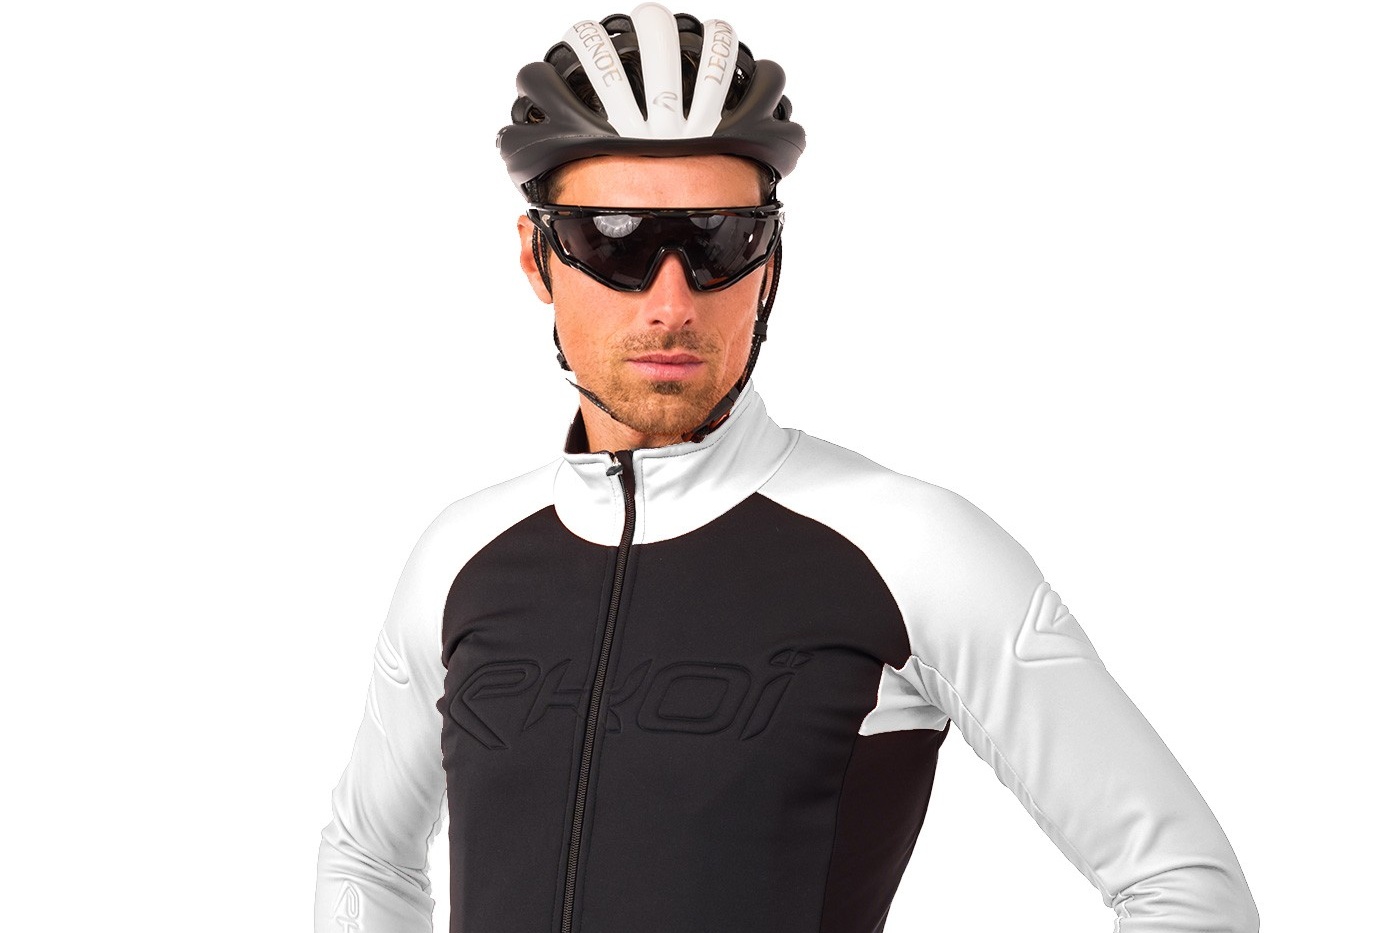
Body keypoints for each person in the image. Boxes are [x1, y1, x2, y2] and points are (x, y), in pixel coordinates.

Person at [314, 5, 1259, 931]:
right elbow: (367, 856)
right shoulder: (460, 556)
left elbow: (1184, 887)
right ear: (538, 256)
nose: (672, 300)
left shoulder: (909, 547)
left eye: (718, 240)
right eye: (615, 237)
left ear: (769, 262)